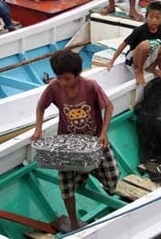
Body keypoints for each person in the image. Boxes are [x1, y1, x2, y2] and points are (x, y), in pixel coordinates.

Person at [30, 50, 119, 231]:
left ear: (78, 75)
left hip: (94, 141)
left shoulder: (91, 86)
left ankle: (94, 182)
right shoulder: (54, 87)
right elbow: (41, 107)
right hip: (67, 144)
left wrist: (104, 132)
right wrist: (38, 129)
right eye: (59, 78)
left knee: (113, 177)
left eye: (67, 79)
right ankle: (74, 221)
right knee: (66, 186)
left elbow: (109, 106)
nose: (63, 82)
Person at [106, 2, 161, 85]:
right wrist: (112, 61)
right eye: (151, 17)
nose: (154, 20)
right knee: (146, 44)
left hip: (148, 57)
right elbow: (124, 44)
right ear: (146, 17)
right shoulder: (139, 30)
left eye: (157, 18)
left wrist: (160, 65)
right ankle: (139, 72)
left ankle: (152, 67)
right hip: (133, 60)